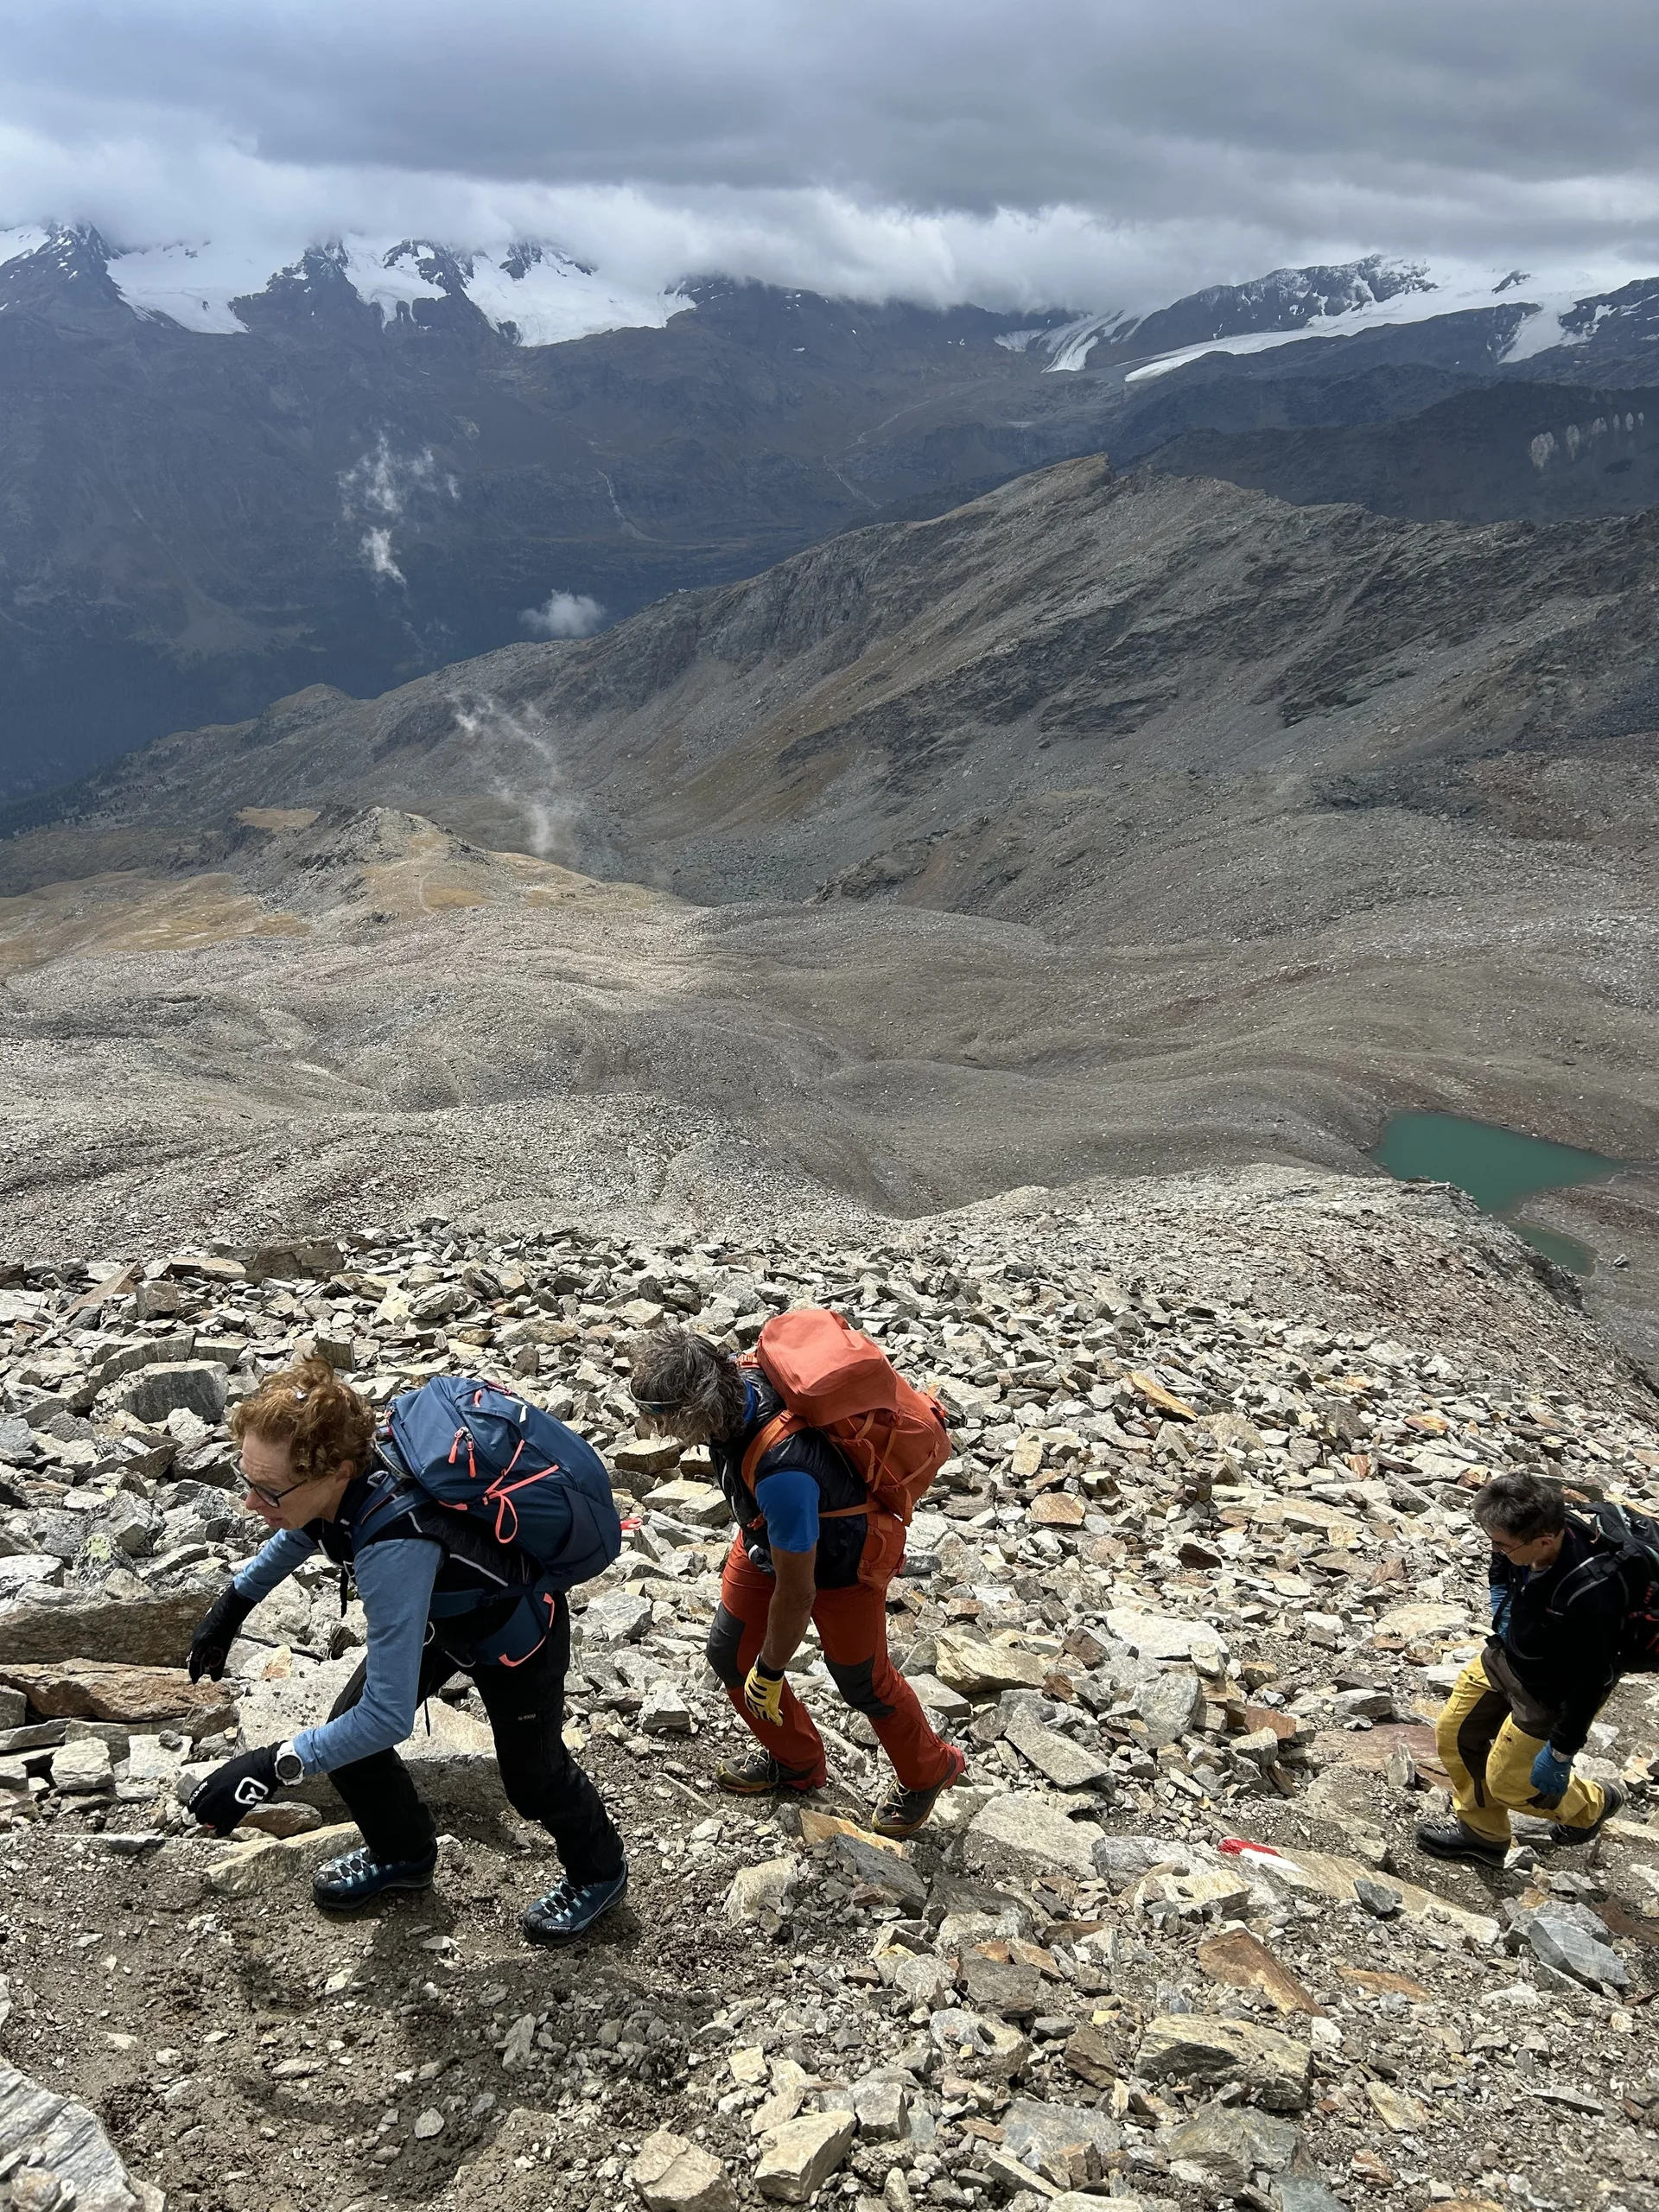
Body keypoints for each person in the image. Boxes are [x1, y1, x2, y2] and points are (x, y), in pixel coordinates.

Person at [185, 1358, 628, 1940]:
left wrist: (270, 1767)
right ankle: (402, 1855)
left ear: (337, 1473)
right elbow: (308, 1527)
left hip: (514, 1632)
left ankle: (599, 1872)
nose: (250, 1503)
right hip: (440, 1611)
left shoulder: (393, 1548)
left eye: (267, 1490)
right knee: (346, 1740)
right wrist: (231, 1609)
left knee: (533, 1777)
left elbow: (387, 1718)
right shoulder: (339, 1479)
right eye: (246, 1481)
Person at [629, 1326, 966, 1838]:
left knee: (862, 1681)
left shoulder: (784, 1470)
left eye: (660, 1417)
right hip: (769, 1533)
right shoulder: (736, 1382)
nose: (653, 1427)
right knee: (728, 1653)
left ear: (695, 1409)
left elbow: (798, 1591)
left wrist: (770, 1669)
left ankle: (930, 1768)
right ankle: (797, 1763)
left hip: (841, 1562)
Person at [1418, 1470, 1627, 1866]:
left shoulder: (1593, 1593)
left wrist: (1562, 1753)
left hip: (1552, 1691)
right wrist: (1502, 1587)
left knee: (1512, 1784)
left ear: (1544, 1541)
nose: (1495, 1550)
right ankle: (1483, 1835)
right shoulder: (1527, 1542)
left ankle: (1593, 1805)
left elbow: (1594, 1679)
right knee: (1456, 1736)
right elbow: (1504, 1565)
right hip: (1508, 1655)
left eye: (1502, 1545)